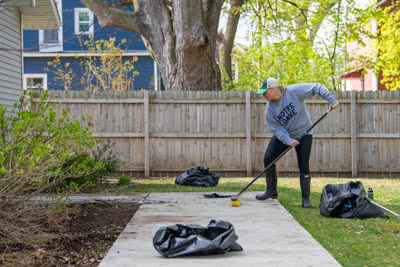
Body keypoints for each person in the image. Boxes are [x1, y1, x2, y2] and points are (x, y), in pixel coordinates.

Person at [255, 77, 339, 208]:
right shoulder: (269, 110)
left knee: (303, 165)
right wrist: (288, 140)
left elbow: (316, 87)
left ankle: (306, 199)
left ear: (274, 89)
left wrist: (331, 100)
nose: (264, 95)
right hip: (286, 135)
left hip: (305, 133)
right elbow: (277, 129)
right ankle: (271, 191)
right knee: (268, 158)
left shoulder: (293, 91)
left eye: (266, 92)